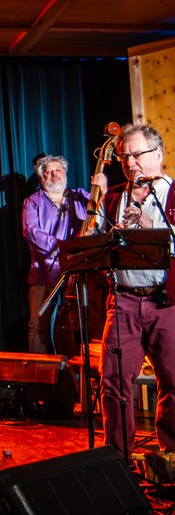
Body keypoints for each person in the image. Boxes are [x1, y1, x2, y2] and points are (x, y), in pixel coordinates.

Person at [92, 123, 175, 461]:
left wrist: (148, 227)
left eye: (137, 154)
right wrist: (95, 204)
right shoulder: (114, 196)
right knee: (113, 381)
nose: (130, 163)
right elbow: (92, 241)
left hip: (166, 301)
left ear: (158, 154)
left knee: (173, 380)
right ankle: (118, 459)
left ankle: (171, 456)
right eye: (124, 157)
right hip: (124, 300)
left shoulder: (172, 193)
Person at [22, 154, 90, 353]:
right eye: (48, 172)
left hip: (78, 270)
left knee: (82, 325)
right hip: (44, 271)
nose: (54, 174)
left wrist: (100, 191)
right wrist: (64, 246)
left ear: (65, 173)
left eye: (58, 170)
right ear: (41, 178)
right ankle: (41, 370)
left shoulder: (81, 197)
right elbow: (31, 232)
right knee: (38, 326)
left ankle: (78, 365)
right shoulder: (32, 202)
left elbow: (101, 213)